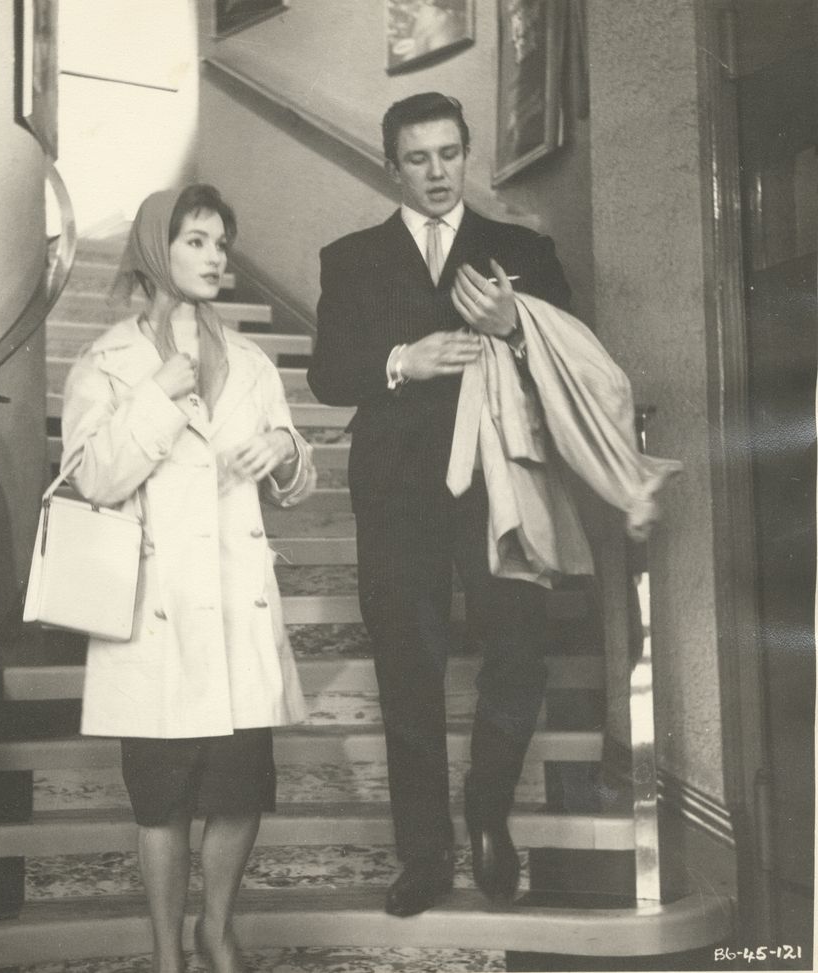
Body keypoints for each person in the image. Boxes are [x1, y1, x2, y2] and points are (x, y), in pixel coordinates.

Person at [307, 92, 573, 916]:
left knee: (520, 646)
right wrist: (402, 360)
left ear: (468, 153)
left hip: (501, 483)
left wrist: (518, 324)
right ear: (391, 165)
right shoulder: (350, 258)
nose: (437, 172)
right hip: (395, 489)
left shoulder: (521, 250)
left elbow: (576, 358)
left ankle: (488, 813)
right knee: (406, 668)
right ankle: (424, 851)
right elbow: (327, 374)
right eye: (418, 158)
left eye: (450, 154)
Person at [60, 184, 315, 973]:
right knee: (163, 801)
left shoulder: (251, 361)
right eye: (195, 241)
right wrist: (157, 397)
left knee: (241, 792)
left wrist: (287, 449)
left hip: (236, 608)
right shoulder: (105, 363)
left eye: (220, 243)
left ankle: (217, 927)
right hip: (157, 613)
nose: (214, 257)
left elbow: (297, 484)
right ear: (154, 249)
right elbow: (93, 478)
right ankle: (168, 951)